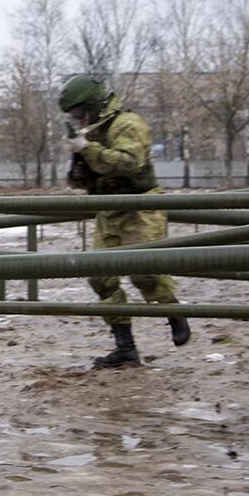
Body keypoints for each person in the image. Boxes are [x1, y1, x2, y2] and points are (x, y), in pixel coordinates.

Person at [58, 74, 191, 368]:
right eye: (74, 115)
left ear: (91, 105)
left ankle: (174, 313)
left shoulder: (128, 124)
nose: (78, 118)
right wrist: (78, 162)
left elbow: (130, 163)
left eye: (79, 112)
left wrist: (87, 149)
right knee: (100, 276)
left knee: (145, 273)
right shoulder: (92, 131)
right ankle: (125, 347)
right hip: (109, 208)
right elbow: (83, 179)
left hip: (139, 205)